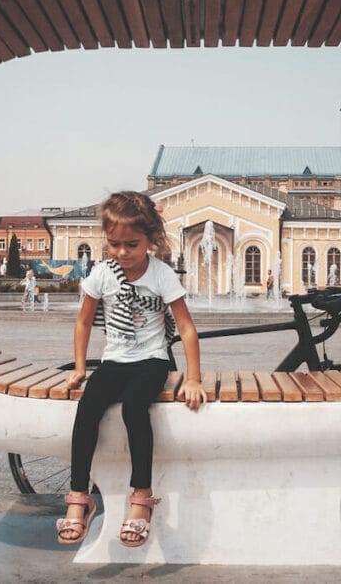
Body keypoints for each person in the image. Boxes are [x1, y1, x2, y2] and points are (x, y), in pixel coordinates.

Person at [56, 191, 205, 548]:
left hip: (151, 362)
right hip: (114, 361)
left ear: (150, 240)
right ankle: (80, 496)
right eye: (114, 244)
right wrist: (79, 368)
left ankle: (141, 498)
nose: (122, 253)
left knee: (135, 409)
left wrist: (194, 377)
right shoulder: (101, 274)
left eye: (132, 245)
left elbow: (186, 328)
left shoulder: (162, 274)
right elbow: (83, 322)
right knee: (87, 408)